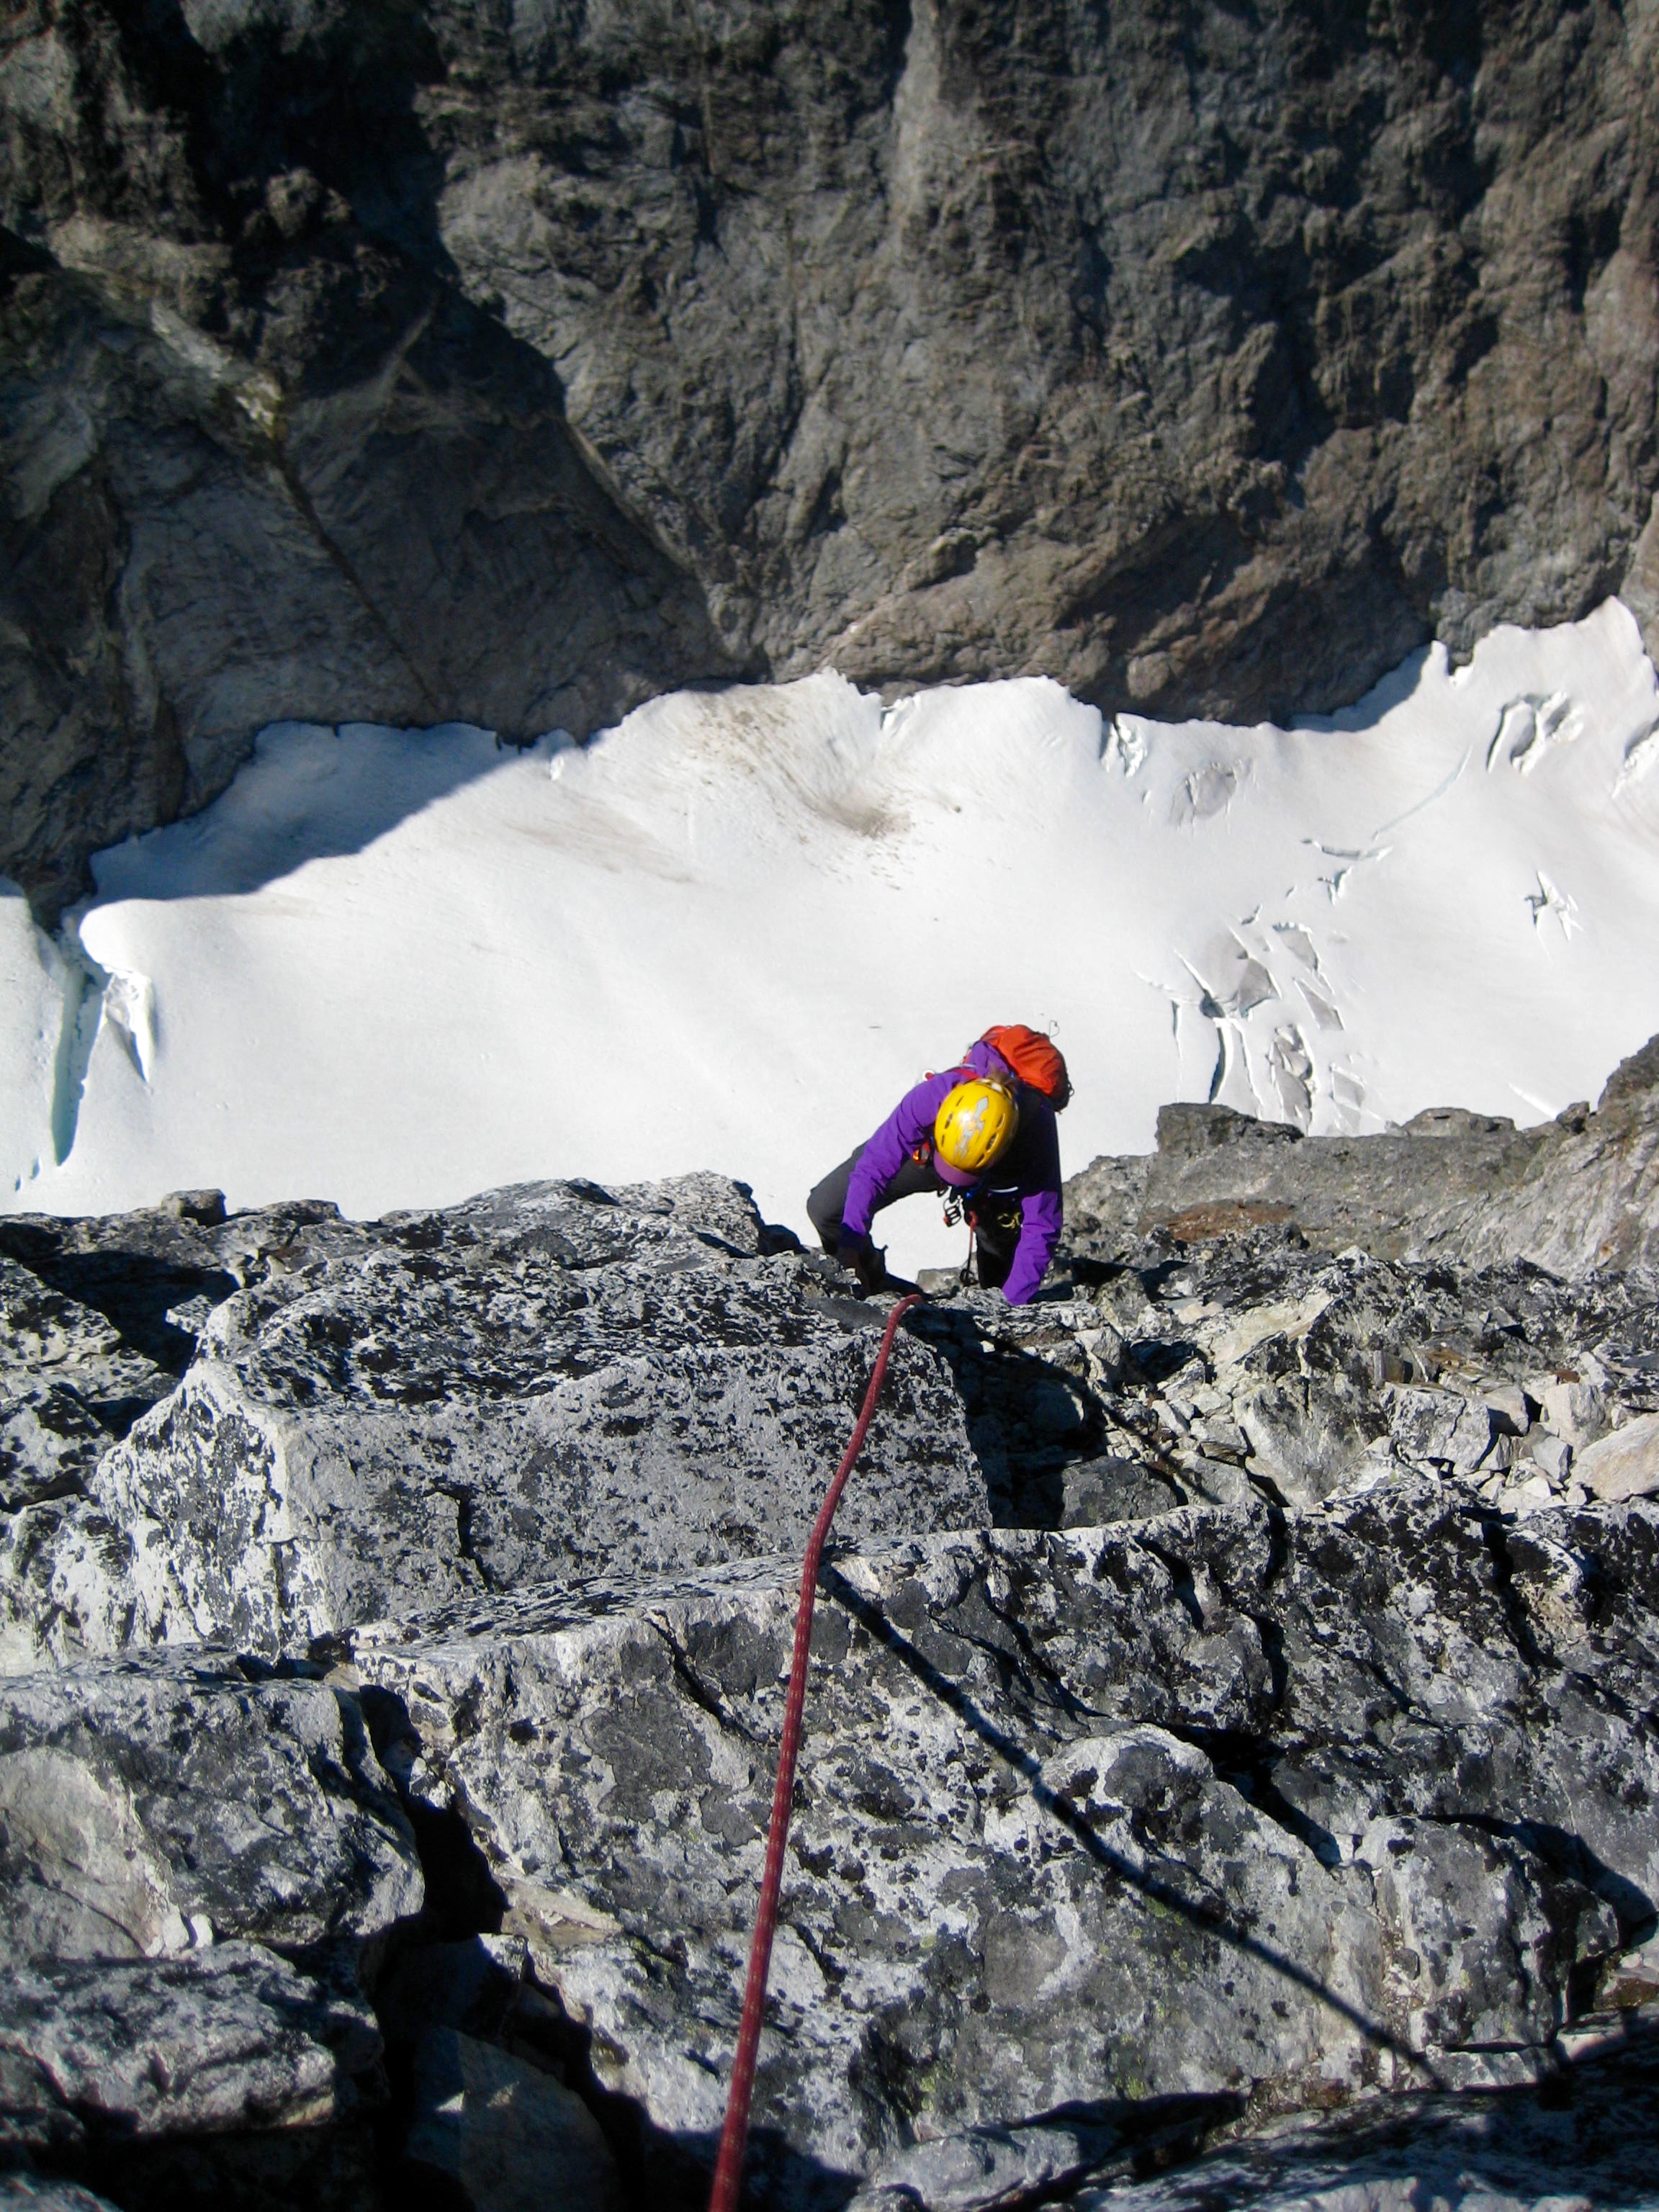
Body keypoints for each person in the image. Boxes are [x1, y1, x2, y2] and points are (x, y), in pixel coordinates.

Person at [807, 1026, 1069, 1305]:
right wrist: (851, 1248)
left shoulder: (1035, 1128)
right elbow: (874, 1166)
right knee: (826, 1209)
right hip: (928, 1154)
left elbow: (1041, 1226)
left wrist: (1007, 1311)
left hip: (995, 1183)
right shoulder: (933, 1096)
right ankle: (872, 1279)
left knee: (1002, 1269)